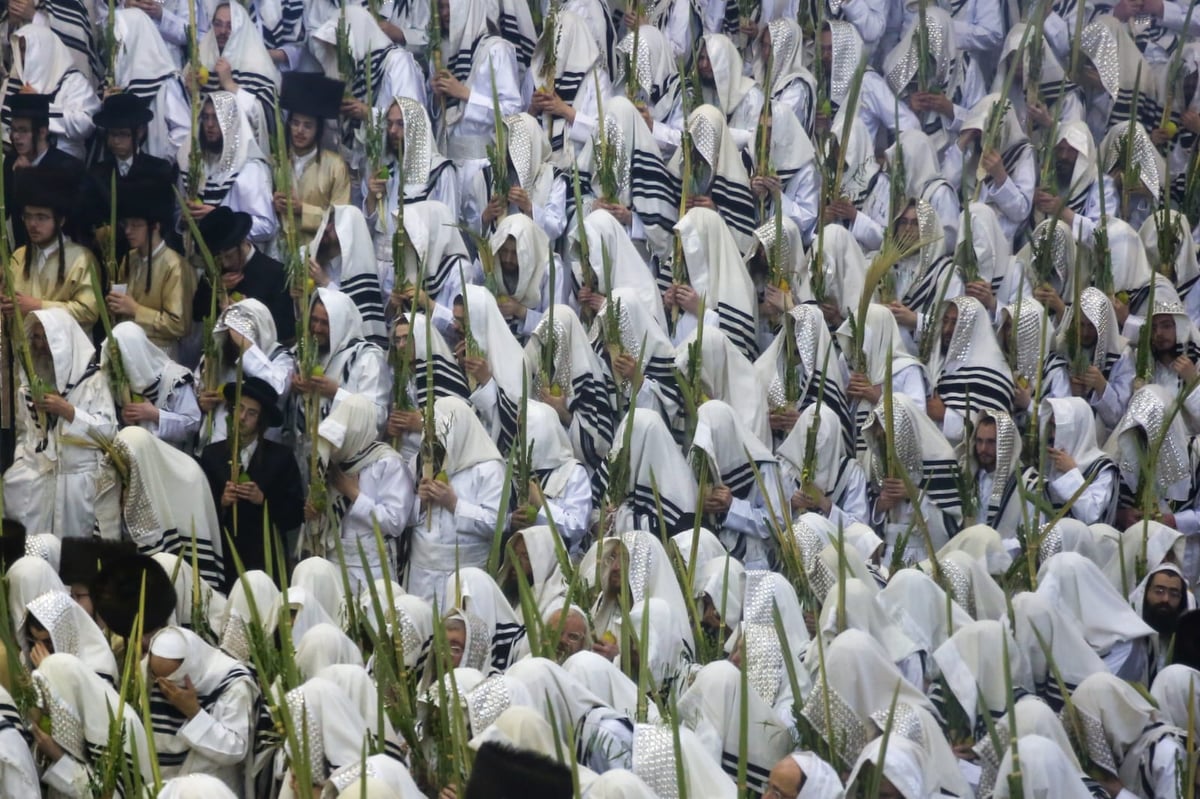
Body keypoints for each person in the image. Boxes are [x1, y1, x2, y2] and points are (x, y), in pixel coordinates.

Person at [2, 309, 115, 538]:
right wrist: (22, 465)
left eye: (46, 339)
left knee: (73, 563)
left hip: (77, 488)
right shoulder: (29, 382)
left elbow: (109, 432)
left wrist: (68, 411)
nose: (41, 346)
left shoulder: (93, 380)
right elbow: (25, 433)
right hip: (35, 487)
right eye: (35, 337)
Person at [199, 377, 304, 591]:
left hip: (266, 560)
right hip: (225, 561)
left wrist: (263, 500)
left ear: (261, 420)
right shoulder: (212, 455)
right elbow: (200, 513)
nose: (242, 417)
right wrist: (222, 503)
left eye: (252, 413)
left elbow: (294, 515)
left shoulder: (281, 457)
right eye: (239, 408)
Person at [305, 393, 414, 592]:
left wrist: (353, 493)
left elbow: (395, 522)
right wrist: (314, 514)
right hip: (333, 563)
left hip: (372, 568)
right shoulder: (332, 463)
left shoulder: (388, 463)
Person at [406, 396, 506, 601]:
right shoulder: (422, 461)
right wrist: (421, 504)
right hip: (423, 576)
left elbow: (498, 523)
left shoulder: (488, 469)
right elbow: (400, 516)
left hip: (466, 574)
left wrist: (454, 504)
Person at [145, 626, 258, 792]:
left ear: (191, 666)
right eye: (159, 679)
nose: (165, 686)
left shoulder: (232, 683)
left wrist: (194, 712)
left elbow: (235, 749)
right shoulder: (148, 673)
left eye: (174, 680)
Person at [29, 653, 154, 797]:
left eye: (51, 702)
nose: (48, 711)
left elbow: (112, 794)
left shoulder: (120, 725)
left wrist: (58, 756)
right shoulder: (72, 722)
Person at [109, 176, 193, 359]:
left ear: (155, 226)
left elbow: (179, 325)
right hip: (128, 348)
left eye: (135, 225)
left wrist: (136, 310)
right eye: (126, 224)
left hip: (160, 354)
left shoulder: (175, 265)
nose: (128, 231)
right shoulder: (130, 259)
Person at [177, 91, 278, 245]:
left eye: (217, 118)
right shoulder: (191, 163)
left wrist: (221, 220)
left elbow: (267, 226)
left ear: (230, 122)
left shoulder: (250, 169)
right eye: (205, 117)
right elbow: (177, 214)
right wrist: (184, 220)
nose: (209, 125)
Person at [3, 166, 98, 328]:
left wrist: (39, 306)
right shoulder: (19, 256)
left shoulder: (81, 258)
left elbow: (88, 311)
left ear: (60, 220)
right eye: (28, 216)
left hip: (63, 350)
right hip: (22, 348)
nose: (33, 224)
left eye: (41, 217)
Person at [430, 0, 524, 162]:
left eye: (450, 6)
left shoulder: (496, 49)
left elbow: (512, 112)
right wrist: (437, 97)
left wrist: (465, 94)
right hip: (446, 159)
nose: (444, 13)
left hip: (482, 162)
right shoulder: (441, 53)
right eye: (441, 7)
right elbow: (438, 118)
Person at [192, 207, 295, 343]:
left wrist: (248, 313)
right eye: (218, 258)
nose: (225, 264)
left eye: (229, 256)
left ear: (243, 242)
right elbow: (198, 314)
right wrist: (216, 290)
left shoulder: (275, 273)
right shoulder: (214, 273)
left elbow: (285, 329)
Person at [291, 287, 389, 427]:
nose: (317, 329)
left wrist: (336, 393)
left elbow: (377, 416)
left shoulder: (368, 358)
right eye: (314, 320)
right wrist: (294, 387)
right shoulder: (304, 351)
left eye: (325, 323)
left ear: (341, 324)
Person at [272, 71, 351, 239]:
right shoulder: (277, 162)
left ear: (318, 130)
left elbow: (341, 222)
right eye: (295, 123)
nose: (300, 131)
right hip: (280, 252)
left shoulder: (335, 166)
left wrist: (302, 210)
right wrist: (274, 205)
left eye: (308, 126)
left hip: (319, 254)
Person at [2, 26, 99, 161]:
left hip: (65, 165)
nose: (23, 57)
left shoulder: (74, 82)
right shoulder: (16, 80)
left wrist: (39, 106)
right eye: (20, 50)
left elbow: (85, 125)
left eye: (26, 49)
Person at [107, 10, 191, 163]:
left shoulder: (165, 81)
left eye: (120, 43)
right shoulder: (116, 81)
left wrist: (160, 159)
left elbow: (184, 131)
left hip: (156, 175)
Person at [104, 321, 200, 448]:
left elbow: (192, 424)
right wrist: (125, 420)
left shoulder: (175, 379)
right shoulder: (123, 387)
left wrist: (155, 415)